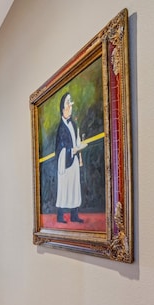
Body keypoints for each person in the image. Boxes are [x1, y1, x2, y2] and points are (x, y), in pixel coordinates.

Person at [55, 92, 87, 223]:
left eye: (71, 103)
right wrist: (72, 151)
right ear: (63, 108)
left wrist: (79, 146)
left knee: (74, 187)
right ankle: (60, 215)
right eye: (68, 103)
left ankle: (74, 215)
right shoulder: (61, 128)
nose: (70, 106)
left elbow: (75, 140)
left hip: (73, 162)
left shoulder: (73, 124)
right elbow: (59, 149)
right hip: (65, 163)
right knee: (64, 188)